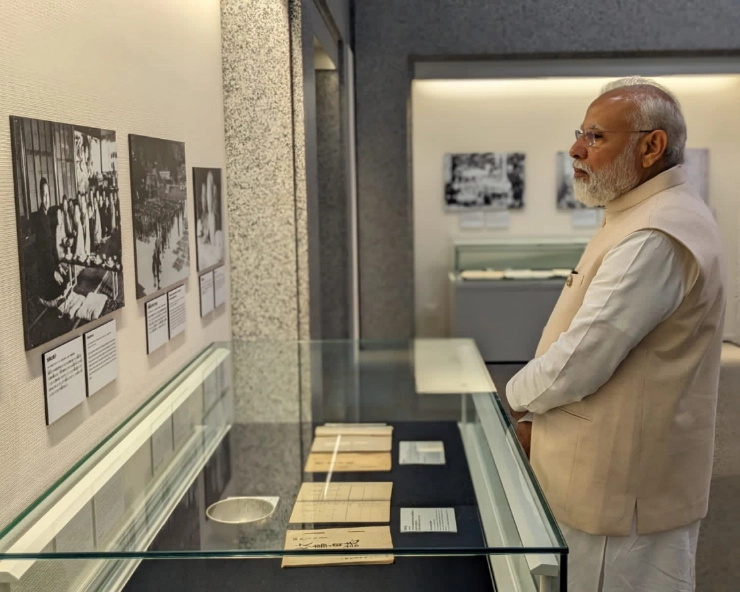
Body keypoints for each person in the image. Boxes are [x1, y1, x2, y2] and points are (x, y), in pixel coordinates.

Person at [506, 77, 725, 592]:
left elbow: (581, 359)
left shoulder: (654, 232)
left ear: (652, 147)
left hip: (621, 489)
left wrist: (511, 401)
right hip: (615, 473)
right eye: (579, 133)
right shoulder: (642, 215)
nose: (576, 149)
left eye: (597, 137)